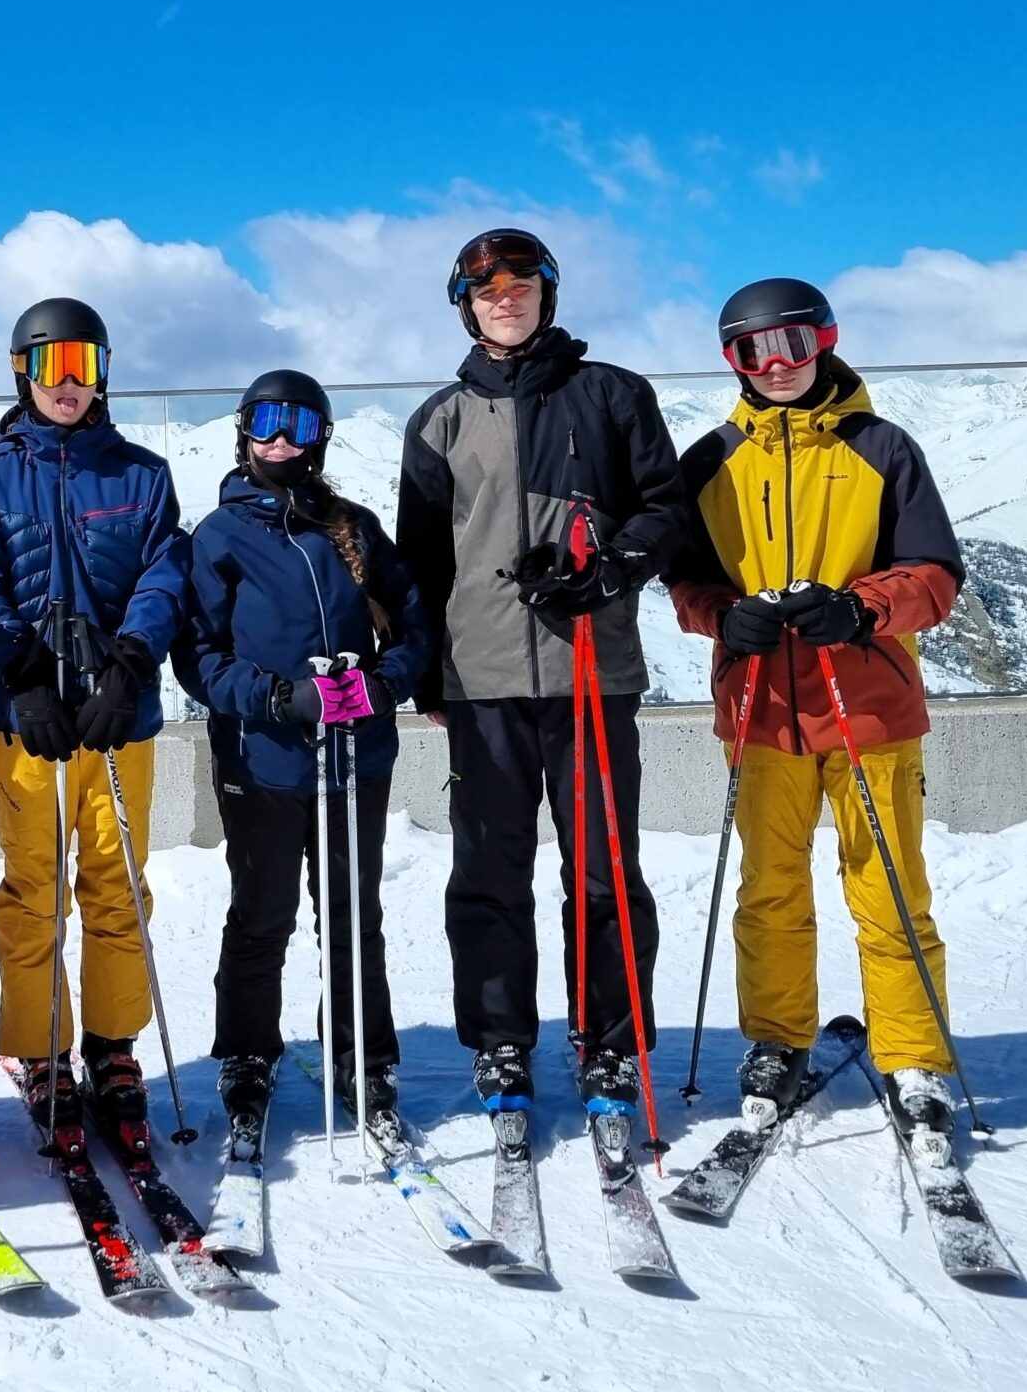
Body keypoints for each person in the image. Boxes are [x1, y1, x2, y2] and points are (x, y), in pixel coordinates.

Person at [667, 277, 967, 1151]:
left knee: (890, 888)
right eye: (752, 351)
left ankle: (914, 1056)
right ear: (733, 361)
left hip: (868, 708)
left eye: (793, 344)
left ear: (824, 342)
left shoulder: (883, 448)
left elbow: (935, 576)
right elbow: (686, 582)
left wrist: (859, 609)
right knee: (770, 887)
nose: (776, 365)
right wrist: (726, 617)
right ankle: (776, 1040)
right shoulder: (711, 459)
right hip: (761, 710)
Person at [396, 229, 685, 1119]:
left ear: (546, 294)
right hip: (481, 680)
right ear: (467, 306)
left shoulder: (613, 395)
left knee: (604, 869)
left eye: (521, 285)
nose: (506, 299)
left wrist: (616, 567)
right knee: (488, 869)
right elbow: (419, 559)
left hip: (591, 671)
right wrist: (428, 673)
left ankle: (610, 1041)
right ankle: (500, 1041)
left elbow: (667, 509)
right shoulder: (439, 420)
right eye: (488, 290)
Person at [177, 371, 432, 1148]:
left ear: (320, 437)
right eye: (266, 422)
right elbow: (199, 657)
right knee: (263, 912)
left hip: (356, 755)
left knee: (353, 914)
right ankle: (248, 1054)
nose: (281, 438)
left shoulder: (352, 528)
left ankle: (363, 1057)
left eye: (298, 423)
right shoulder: (220, 536)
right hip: (262, 759)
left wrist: (384, 684)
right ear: (244, 433)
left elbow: (413, 622)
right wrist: (275, 697)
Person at [0, 297, 188, 1139]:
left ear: (103, 374)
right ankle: (42, 1047)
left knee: (116, 881)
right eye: (51, 365)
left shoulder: (141, 473)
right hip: (28, 716)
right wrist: (20, 671)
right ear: (22, 372)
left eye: (83, 365)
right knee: (34, 887)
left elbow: (164, 572)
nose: (67, 383)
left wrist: (131, 663)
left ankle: (112, 1044)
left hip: (116, 716)